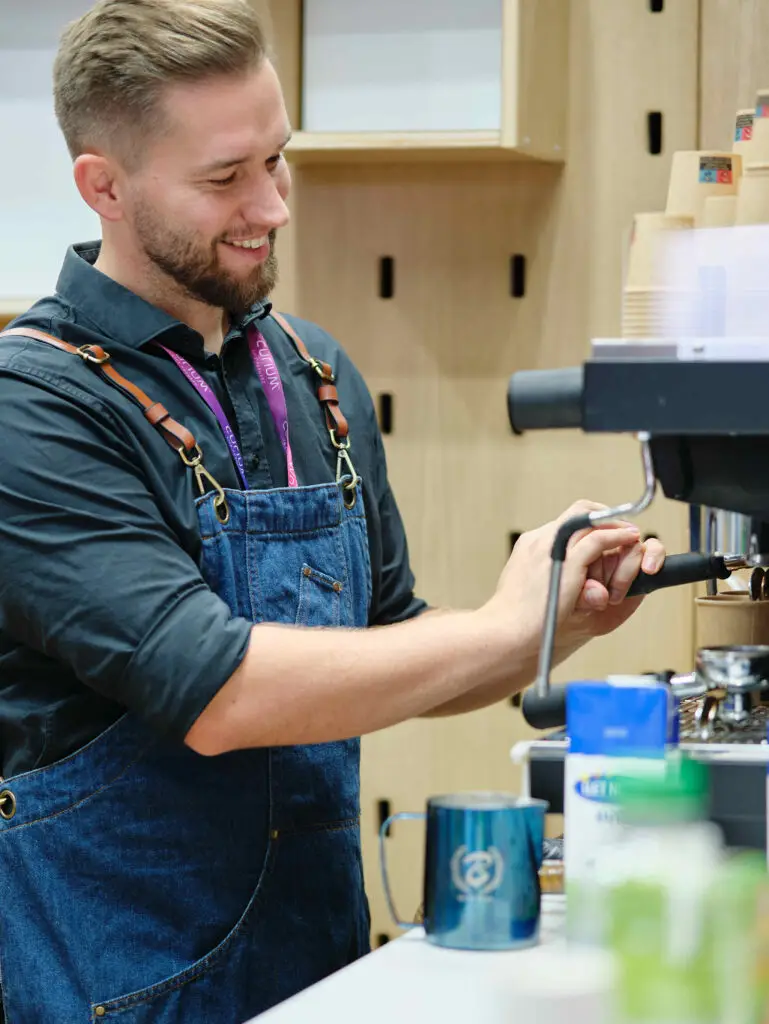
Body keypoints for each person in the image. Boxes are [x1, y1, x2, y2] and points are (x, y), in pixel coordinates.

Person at [0, 1, 665, 1021]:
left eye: (278, 158)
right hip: (111, 990)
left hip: (317, 972)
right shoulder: (33, 409)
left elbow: (385, 638)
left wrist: (545, 624)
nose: (271, 206)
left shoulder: (310, 373)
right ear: (105, 187)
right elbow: (216, 691)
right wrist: (500, 626)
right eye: (225, 178)